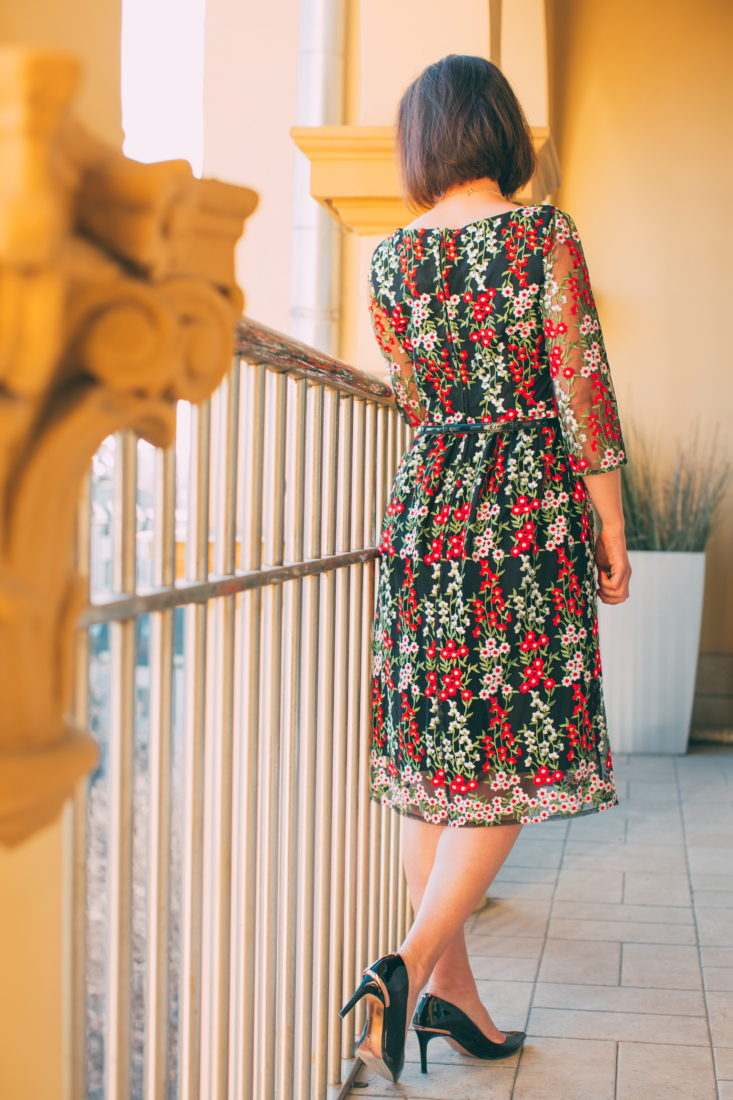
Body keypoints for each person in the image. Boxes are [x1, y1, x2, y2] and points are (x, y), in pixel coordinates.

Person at [340, 54, 631, 1083]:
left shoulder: (387, 261)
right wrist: (610, 524)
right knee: (508, 751)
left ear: (421, 143)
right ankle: (409, 964)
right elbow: (578, 383)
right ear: (502, 130)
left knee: (439, 765)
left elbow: (415, 394)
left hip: (427, 513)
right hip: (523, 507)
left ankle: (451, 1001)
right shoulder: (543, 235)